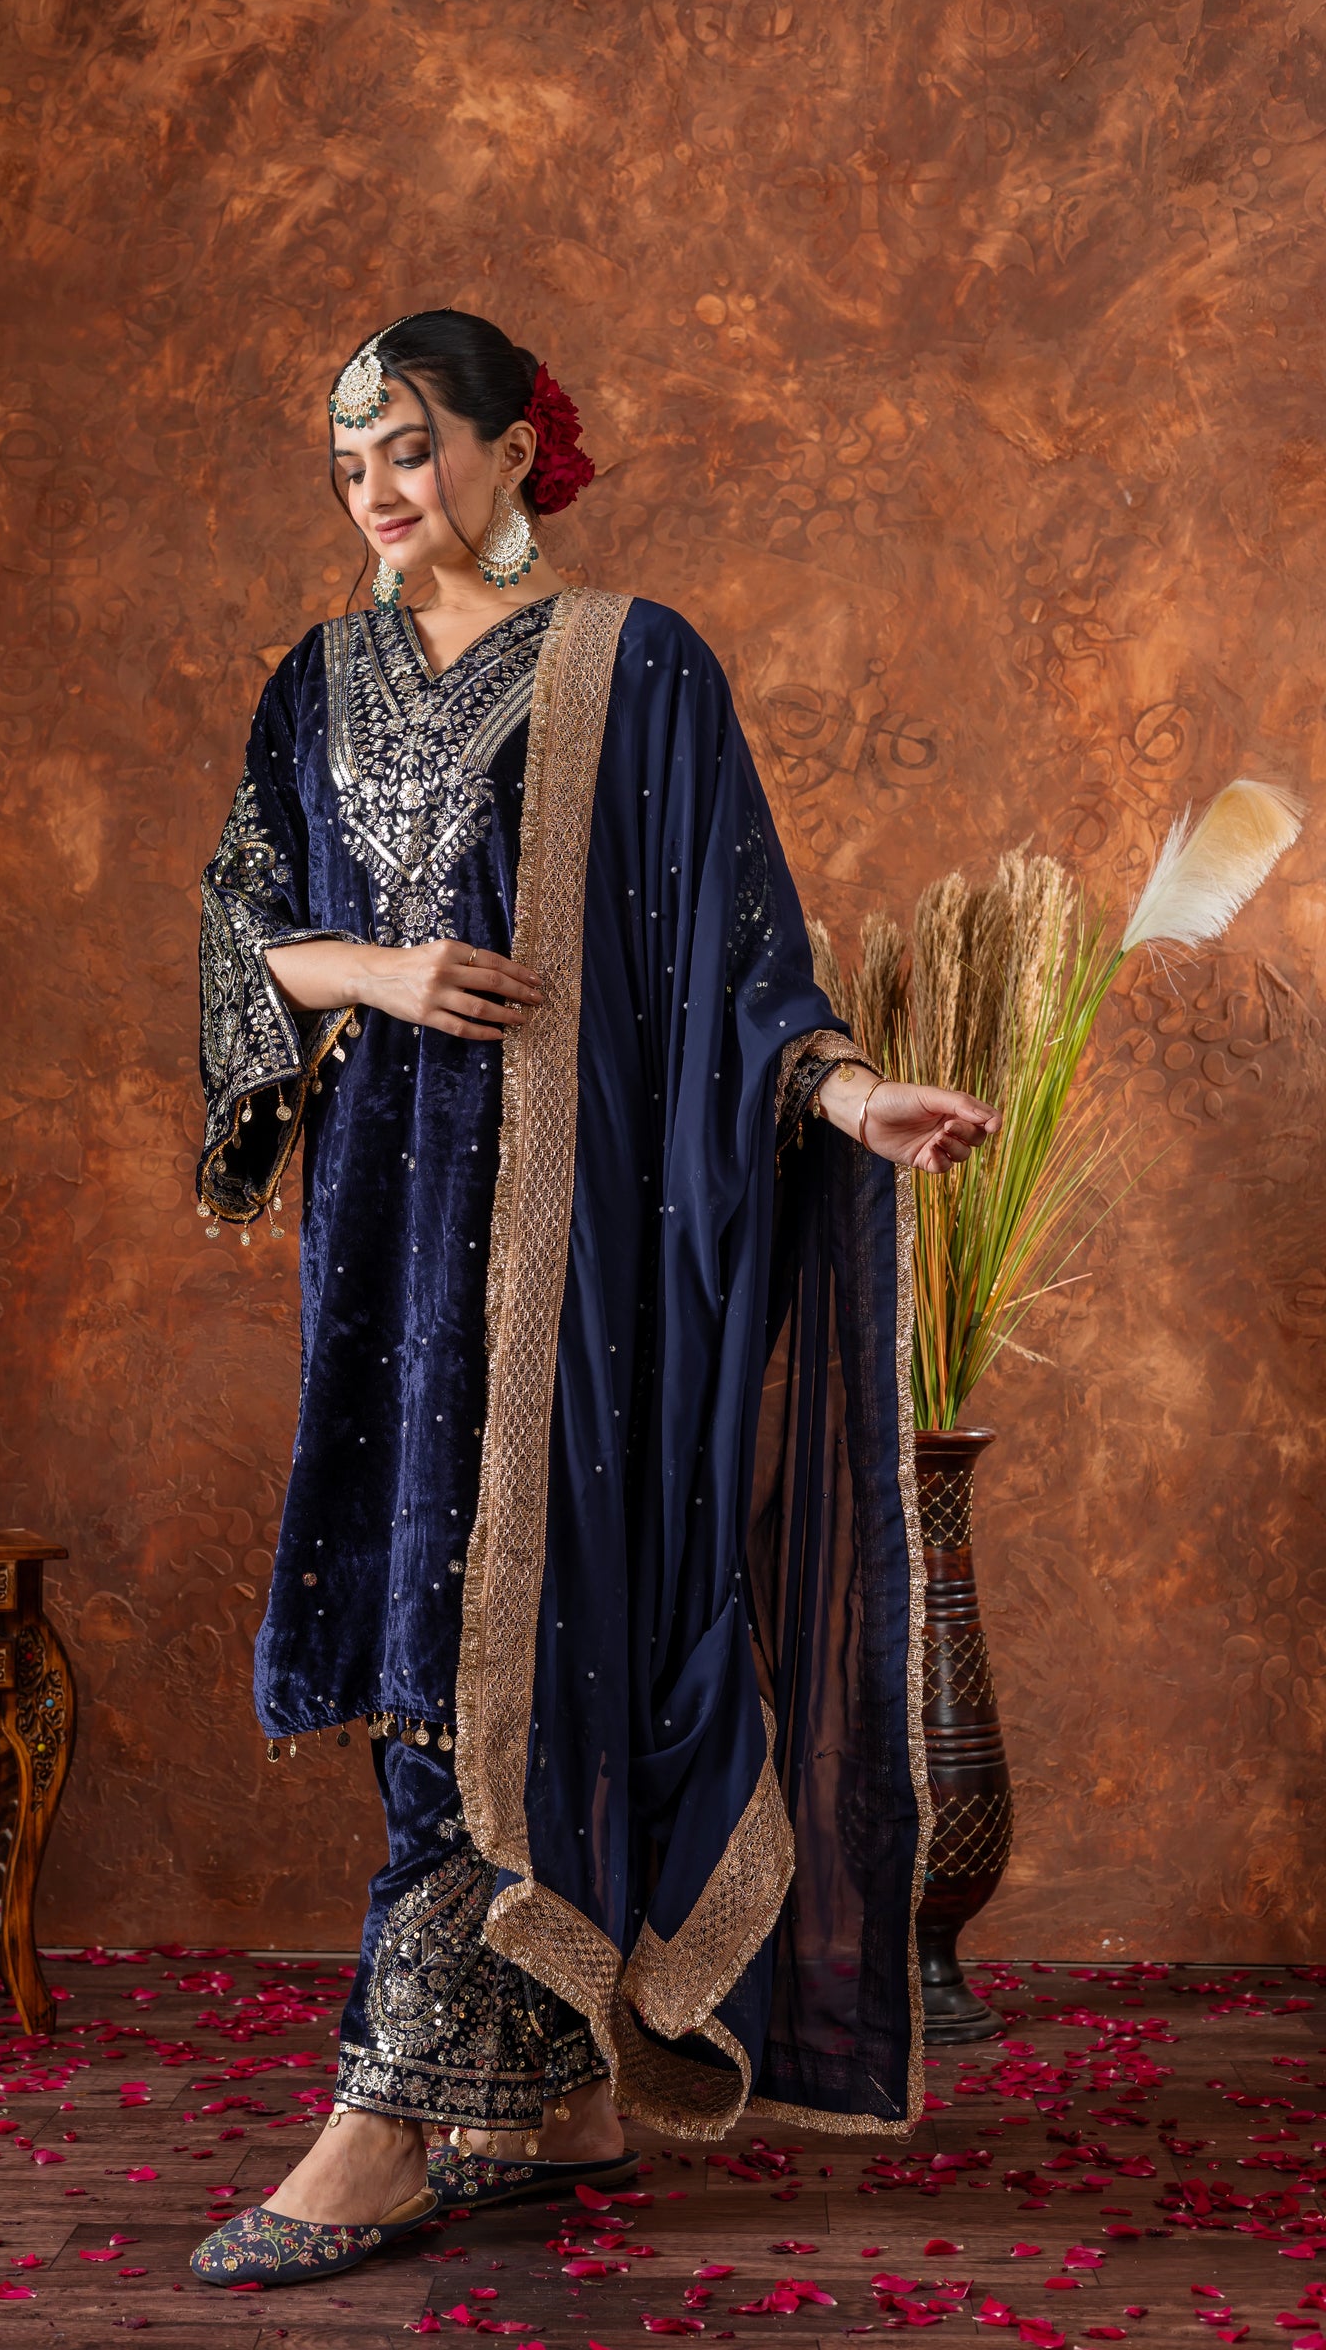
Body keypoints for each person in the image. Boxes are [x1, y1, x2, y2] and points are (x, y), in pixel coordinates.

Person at [189, 310, 998, 2289]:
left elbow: (735, 947)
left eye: (409, 447)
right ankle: (540, 2091)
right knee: (419, 1619)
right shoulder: (314, 684)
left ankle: (388, 2119)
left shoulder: (631, 665)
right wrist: (370, 978)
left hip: (582, 1256)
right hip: (382, 1243)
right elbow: (239, 933)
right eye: (347, 462)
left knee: (516, 1626)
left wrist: (834, 1088)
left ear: (512, 450)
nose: (379, 491)